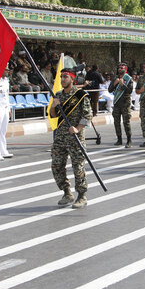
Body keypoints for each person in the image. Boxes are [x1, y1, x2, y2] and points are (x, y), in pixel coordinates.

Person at [49, 69, 93, 208]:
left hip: (75, 137)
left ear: (72, 79)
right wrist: (54, 106)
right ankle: (66, 192)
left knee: (78, 167)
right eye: (61, 77)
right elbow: (53, 115)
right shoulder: (58, 95)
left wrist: (77, 128)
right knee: (56, 165)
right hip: (61, 136)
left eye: (65, 77)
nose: (62, 79)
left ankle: (82, 195)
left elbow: (88, 115)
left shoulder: (80, 95)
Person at [108, 62, 133, 148]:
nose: (120, 69)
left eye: (122, 68)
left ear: (125, 69)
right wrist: (115, 83)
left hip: (125, 103)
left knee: (126, 122)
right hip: (117, 103)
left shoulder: (128, 79)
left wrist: (123, 85)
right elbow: (109, 90)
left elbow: (129, 91)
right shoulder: (115, 78)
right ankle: (119, 139)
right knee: (116, 122)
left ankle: (129, 140)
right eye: (119, 68)